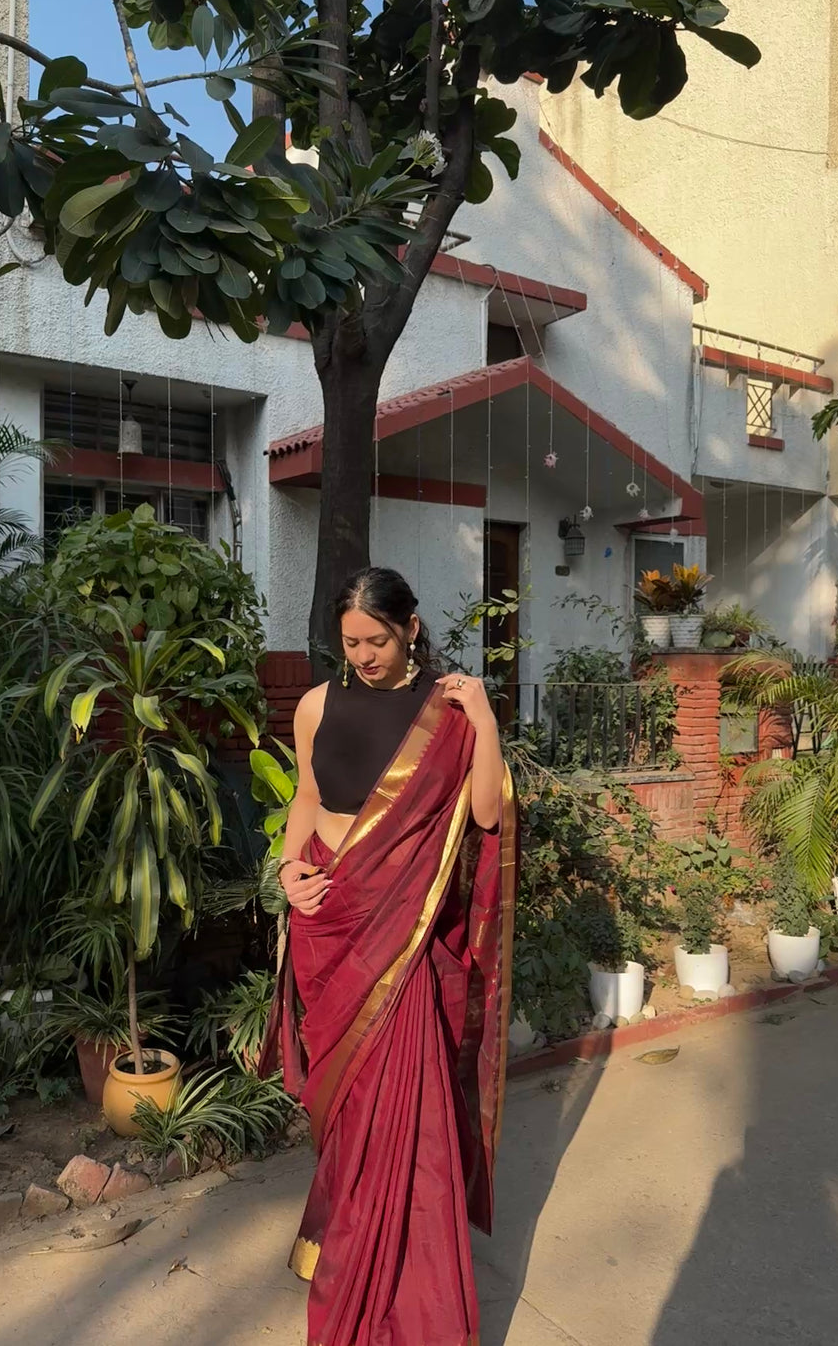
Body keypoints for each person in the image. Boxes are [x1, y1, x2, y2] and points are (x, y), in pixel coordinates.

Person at [260, 566, 518, 1346]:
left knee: (402, 1114)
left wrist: (485, 714)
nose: (363, 655)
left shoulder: (447, 712)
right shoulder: (315, 705)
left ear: (410, 626)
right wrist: (287, 867)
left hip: (401, 940)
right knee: (347, 1118)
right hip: (326, 922)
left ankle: (406, 1298)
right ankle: (351, 1247)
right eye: (350, 642)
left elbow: (484, 813)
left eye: (376, 638)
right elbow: (307, 799)